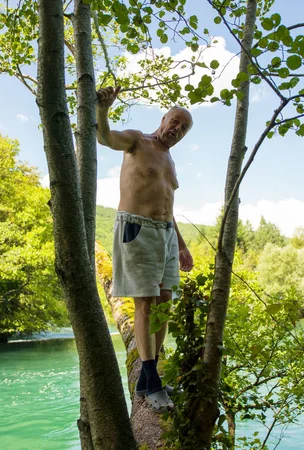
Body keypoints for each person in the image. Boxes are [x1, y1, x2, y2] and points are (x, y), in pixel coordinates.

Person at [96, 86, 194, 413]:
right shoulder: (138, 140)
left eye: (183, 128)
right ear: (164, 118)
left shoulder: (170, 160)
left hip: (165, 234)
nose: (176, 130)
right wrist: (102, 110)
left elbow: (169, 205)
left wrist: (181, 246)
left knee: (164, 305)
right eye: (175, 122)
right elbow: (106, 137)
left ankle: (145, 380)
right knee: (146, 303)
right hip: (135, 228)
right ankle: (151, 379)